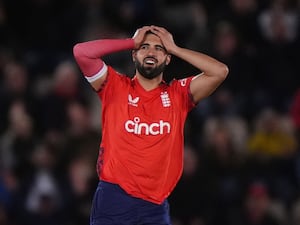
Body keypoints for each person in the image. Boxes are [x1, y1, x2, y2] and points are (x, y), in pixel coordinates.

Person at [73, 25, 228, 225]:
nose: (151, 52)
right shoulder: (115, 87)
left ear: (167, 58)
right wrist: (131, 41)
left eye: (159, 48)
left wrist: (176, 48)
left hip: (155, 206)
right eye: (144, 47)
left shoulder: (178, 95)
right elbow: (81, 52)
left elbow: (219, 71)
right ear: (134, 55)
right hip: (114, 200)